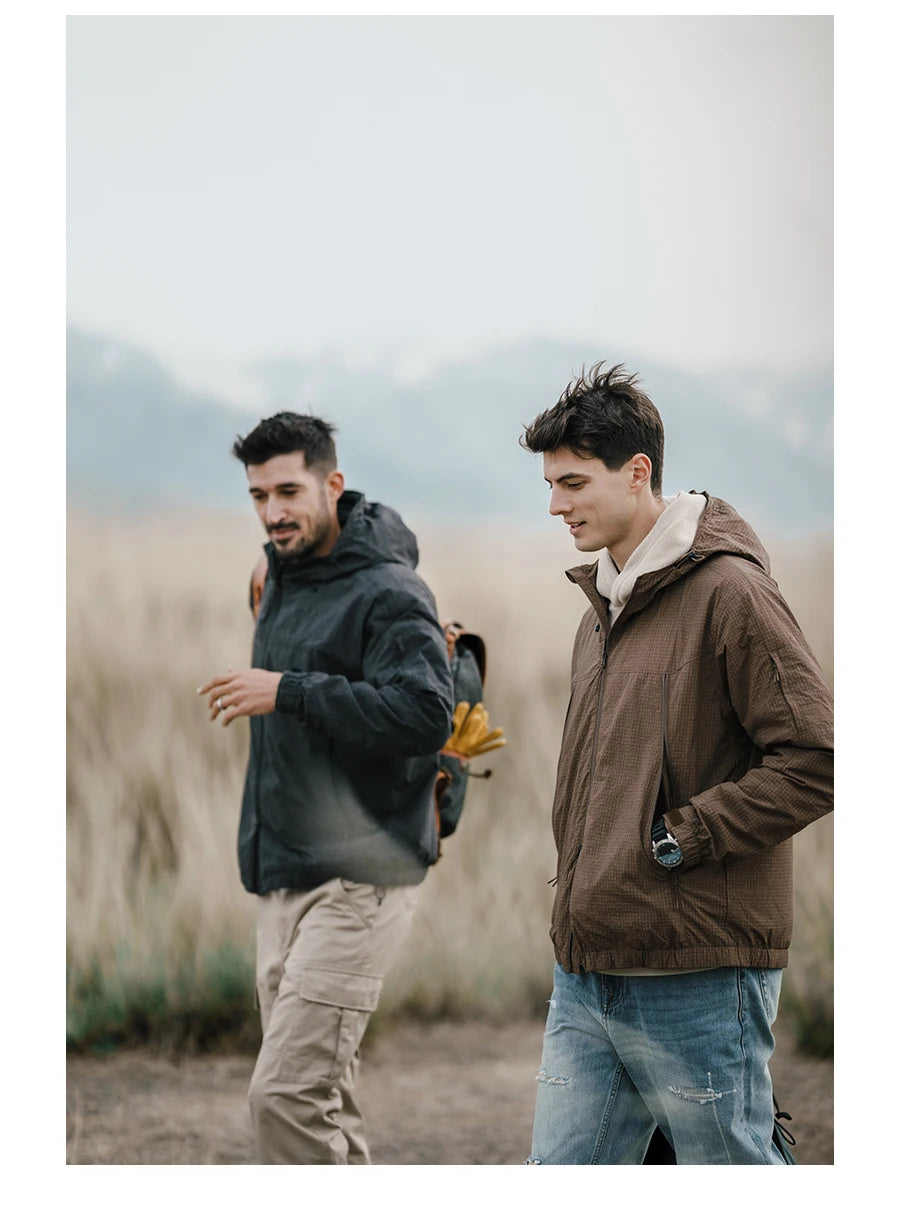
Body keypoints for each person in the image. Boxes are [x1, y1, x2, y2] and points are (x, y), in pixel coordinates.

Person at [520, 362, 833, 1165]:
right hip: (588, 970)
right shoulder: (600, 608)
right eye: (551, 484)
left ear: (638, 472)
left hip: (698, 972)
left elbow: (818, 756)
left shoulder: (731, 592)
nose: (556, 504)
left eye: (573, 483)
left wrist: (683, 835)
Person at [197, 412, 453, 1164]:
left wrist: (290, 690)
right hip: (285, 877)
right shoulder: (276, 572)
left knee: (283, 1097)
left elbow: (424, 713)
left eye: (288, 490)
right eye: (257, 495)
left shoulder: (390, 591)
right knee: (324, 1095)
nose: (272, 511)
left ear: (332, 484)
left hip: (361, 881)